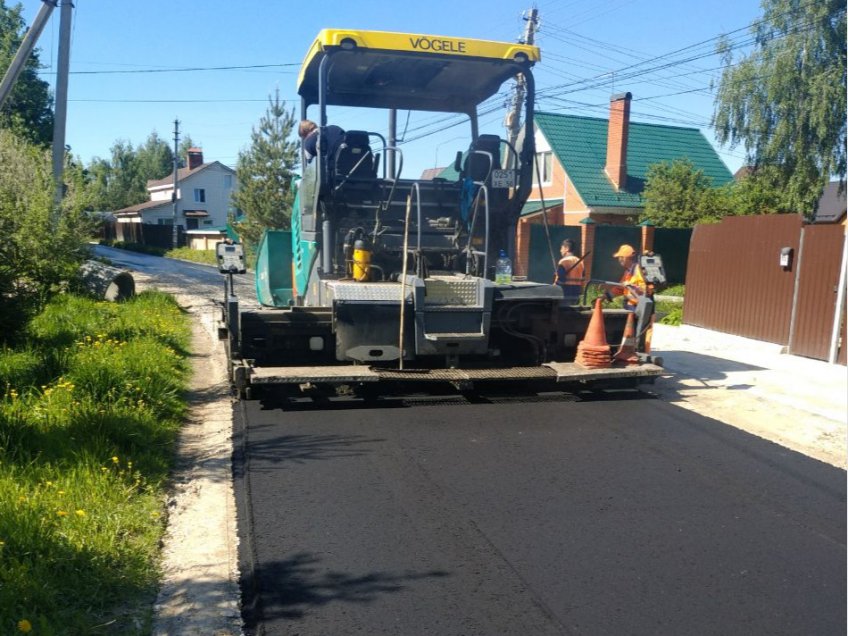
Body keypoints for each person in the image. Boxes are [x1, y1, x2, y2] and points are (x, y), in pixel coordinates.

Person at [602, 244, 646, 312]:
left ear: (627, 258)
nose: (619, 260)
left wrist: (630, 285)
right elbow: (620, 288)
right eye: (619, 258)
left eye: (621, 257)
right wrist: (605, 297)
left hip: (638, 307)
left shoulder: (638, 270)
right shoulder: (627, 272)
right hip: (629, 305)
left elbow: (643, 289)